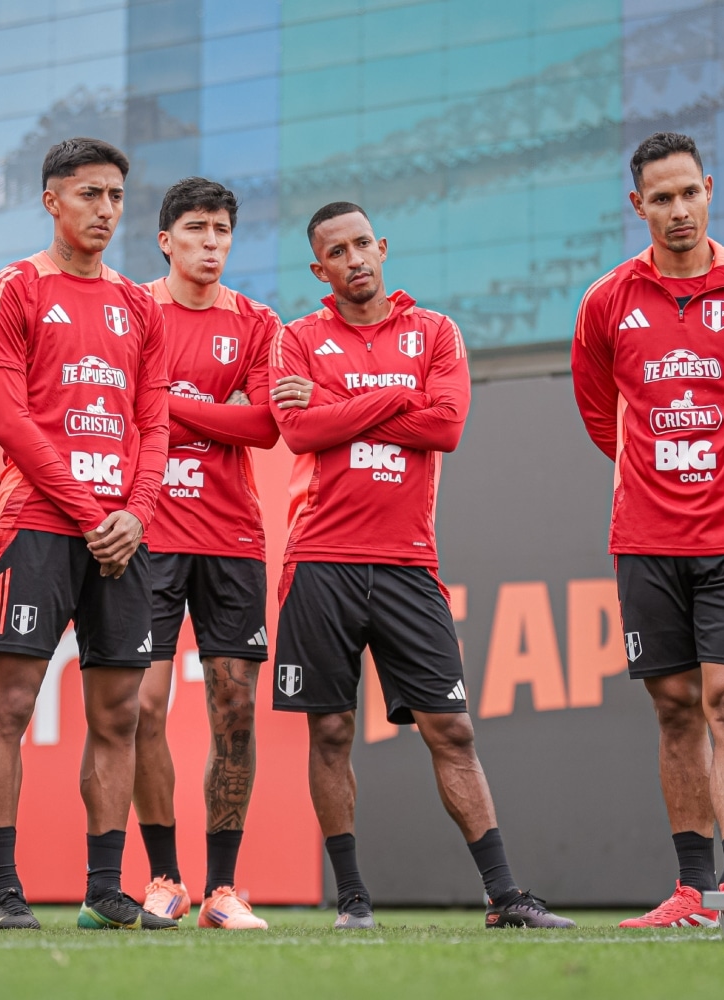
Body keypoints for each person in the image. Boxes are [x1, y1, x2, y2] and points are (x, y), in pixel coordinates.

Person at [269, 202, 574, 931]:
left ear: (383, 246)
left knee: (453, 730)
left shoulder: (434, 331)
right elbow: (298, 429)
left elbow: (446, 425)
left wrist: (346, 400)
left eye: (363, 244)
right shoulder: (297, 338)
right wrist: (396, 397)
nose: (355, 260)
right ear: (321, 269)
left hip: (408, 564)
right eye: (336, 252)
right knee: (331, 733)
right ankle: (352, 902)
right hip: (320, 562)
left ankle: (504, 897)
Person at [571, 132, 724, 930]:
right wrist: (661, 472)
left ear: (709, 189)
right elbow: (598, 411)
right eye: (661, 198)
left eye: (690, 193)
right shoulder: (607, 299)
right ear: (637, 205)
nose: (679, 211)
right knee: (675, 707)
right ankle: (690, 890)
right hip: (645, 536)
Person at [0, 137, 171, 931]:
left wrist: (137, 513)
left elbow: (154, 422)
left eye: (116, 196)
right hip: (39, 525)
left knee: (119, 713)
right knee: (11, 704)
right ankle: (1, 891)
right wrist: (93, 514)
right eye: (89, 194)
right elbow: (10, 423)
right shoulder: (13, 289)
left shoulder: (138, 304)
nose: (106, 210)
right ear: (52, 200)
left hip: (122, 535)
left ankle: (103, 888)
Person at [132, 178, 280, 930]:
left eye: (222, 229)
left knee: (235, 713)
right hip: (148, 536)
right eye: (196, 228)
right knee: (141, 707)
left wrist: (159, 404)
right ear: (166, 240)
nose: (212, 242)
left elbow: (261, 424)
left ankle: (224, 889)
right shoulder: (131, 312)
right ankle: (165, 876)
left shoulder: (256, 322)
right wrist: (203, 414)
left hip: (230, 540)